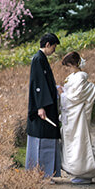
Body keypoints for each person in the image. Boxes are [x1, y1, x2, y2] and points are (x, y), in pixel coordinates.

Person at [59, 50, 95, 184]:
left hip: (78, 114)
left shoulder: (81, 77)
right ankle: (75, 171)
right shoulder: (73, 76)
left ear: (75, 64)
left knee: (79, 140)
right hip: (72, 114)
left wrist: (62, 94)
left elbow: (75, 97)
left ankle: (84, 172)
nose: (68, 69)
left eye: (69, 66)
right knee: (72, 141)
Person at [26, 33, 61, 178]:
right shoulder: (38, 59)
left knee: (48, 138)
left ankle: (47, 172)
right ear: (47, 44)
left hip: (48, 105)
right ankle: (42, 173)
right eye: (53, 47)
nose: (54, 50)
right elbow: (38, 84)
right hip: (43, 107)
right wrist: (40, 106)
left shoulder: (42, 59)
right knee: (42, 139)